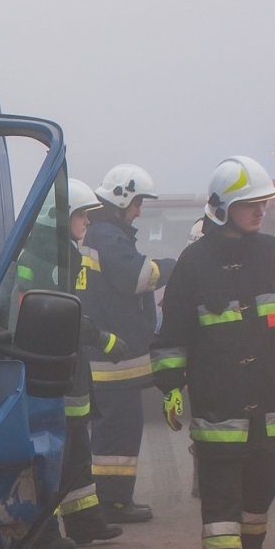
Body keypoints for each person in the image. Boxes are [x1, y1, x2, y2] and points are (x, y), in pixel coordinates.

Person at [151, 156, 275, 549]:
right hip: (218, 400)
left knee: (259, 496)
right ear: (223, 208)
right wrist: (170, 386)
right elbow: (173, 336)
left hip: (267, 399)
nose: (260, 212)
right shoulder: (194, 263)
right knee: (221, 500)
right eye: (251, 204)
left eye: (264, 204)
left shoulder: (274, 253)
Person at [24, 179, 128, 549]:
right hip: (48, 369)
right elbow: (65, 313)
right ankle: (41, 532)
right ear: (59, 216)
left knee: (75, 448)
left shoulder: (60, 253)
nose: (86, 222)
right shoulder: (42, 258)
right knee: (49, 451)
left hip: (65, 368)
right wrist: (105, 339)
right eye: (81, 215)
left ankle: (85, 521)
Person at [77, 163, 177, 523]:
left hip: (107, 354)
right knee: (118, 433)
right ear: (121, 197)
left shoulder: (100, 233)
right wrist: (173, 267)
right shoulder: (107, 235)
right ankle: (114, 503)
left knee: (113, 430)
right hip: (113, 360)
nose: (137, 212)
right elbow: (138, 276)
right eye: (136, 204)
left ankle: (110, 501)